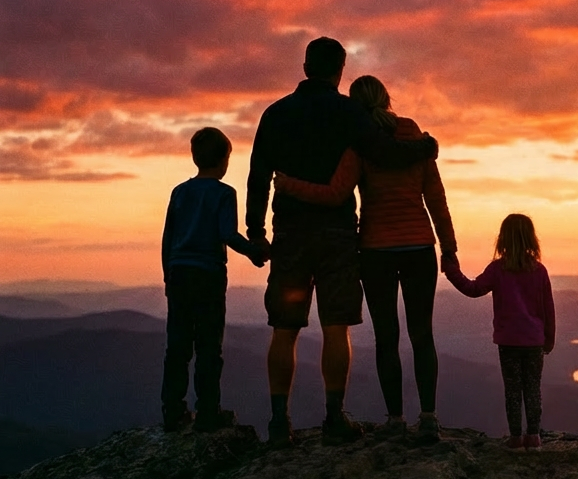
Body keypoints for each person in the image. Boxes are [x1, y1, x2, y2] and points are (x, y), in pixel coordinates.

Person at [246, 37, 438, 447]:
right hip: (336, 234)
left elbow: (258, 174)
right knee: (336, 325)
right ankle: (334, 417)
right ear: (339, 71)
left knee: (284, 326)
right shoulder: (349, 113)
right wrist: (425, 147)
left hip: (290, 232)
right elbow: (384, 153)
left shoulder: (276, 113)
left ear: (304, 67)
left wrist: (256, 232)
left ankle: (280, 422)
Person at [161, 127, 265, 432]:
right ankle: (207, 412)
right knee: (209, 346)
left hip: (179, 273)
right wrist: (254, 252)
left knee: (177, 346)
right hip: (208, 276)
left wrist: (168, 274)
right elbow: (227, 234)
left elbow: (168, 237)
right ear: (223, 160)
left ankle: (172, 411)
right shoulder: (224, 193)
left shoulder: (180, 192)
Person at [441, 214, 555, 450]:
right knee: (533, 388)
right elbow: (548, 309)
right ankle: (533, 437)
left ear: (502, 238)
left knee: (513, 390)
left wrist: (452, 270)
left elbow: (472, 289)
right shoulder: (539, 271)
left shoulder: (497, 269)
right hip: (534, 342)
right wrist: (549, 339)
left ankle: (515, 438)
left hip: (509, 342)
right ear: (531, 239)